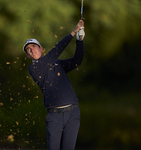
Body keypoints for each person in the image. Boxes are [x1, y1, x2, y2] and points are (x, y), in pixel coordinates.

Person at [23, 20, 85, 150]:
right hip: (54, 116)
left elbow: (77, 61)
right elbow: (56, 51)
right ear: (28, 56)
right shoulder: (34, 68)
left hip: (72, 112)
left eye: (33, 46)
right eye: (28, 50)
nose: (31, 50)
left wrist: (79, 39)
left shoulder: (57, 64)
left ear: (41, 48)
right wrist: (73, 32)